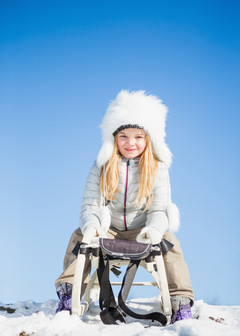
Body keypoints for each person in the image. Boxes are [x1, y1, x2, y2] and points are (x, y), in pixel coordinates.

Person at [55, 90, 194, 322]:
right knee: (79, 236)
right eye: (124, 136)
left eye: (138, 136)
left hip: (141, 230)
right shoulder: (102, 166)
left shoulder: (158, 168)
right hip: (109, 228)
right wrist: (93, 226)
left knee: (171, 243)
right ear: (113, 138)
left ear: (148, 138)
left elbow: (160, 208)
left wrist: (154, 231)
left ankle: (179, 300)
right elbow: (90, 204)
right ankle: (70, 292)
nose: (131, 143)